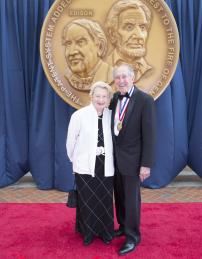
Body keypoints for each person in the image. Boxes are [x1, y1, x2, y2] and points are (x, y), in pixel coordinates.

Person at [110, 64, 156, 255]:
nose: (121, 80)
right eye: (118, 77)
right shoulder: (114, 98)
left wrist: (146, 164)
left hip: (133, 161)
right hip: (115, 159)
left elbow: (150, 135)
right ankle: (122, 226)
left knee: (131, 200)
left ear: (133, 77)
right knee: (119, 196)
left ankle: (132, 236)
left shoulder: (145, 100)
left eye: (124, 77)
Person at [66, 81, 114, 246]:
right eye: (98, 95)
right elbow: (70, 143)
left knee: (104, 200)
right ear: (91, 96)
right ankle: (87, 233)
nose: (101, 99)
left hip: (106, 167)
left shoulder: (111, 116)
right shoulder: (79, 115)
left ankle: (106, 233)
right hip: (85, 167)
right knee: (87, 201)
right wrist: (76, 161)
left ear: (108, 99)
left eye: (104, 96)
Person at [105, 0, 152, 82]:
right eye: (129, 27)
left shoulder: (151, 71)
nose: (139, 35)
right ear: (112, 34)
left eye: (142, 27)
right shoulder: (102, 70)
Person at [62, 19, 113, 91]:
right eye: (68, 44)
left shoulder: (111, 75)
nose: (72, 52)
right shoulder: (66, 76)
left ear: (99, 47)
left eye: (80, 42)